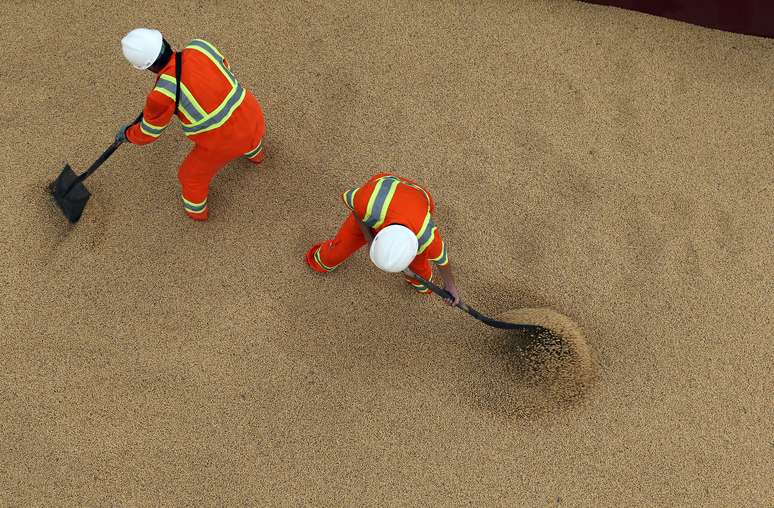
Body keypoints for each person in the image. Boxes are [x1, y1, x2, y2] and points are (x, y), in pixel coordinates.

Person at [118, 28, 266, 221]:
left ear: (146, 67)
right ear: (164, 40)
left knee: (190, 176)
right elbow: (225, 68)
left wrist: (128, 134)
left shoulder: (161, 94)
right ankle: (257, 155)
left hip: (223, 142)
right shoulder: (200, 46)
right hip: (252, 113)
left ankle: (197, 214)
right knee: (250, 136)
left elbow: (149, 133)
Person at [306, 172, 460, 305]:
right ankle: (320, 259)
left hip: (419, 197)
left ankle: (418, 282)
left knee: (423, 284)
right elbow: (353, 205)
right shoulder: (367, 201)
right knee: (329, 257)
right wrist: (369, 237)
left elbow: (442, 260)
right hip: (382, 194)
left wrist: (450, 285)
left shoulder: (427, 237)